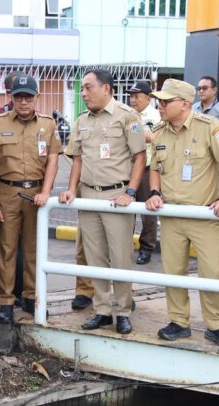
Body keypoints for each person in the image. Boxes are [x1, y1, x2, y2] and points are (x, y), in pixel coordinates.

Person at [144, 79, 219, 347]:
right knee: (173, 272)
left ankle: (216, 325)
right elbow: (154, 167)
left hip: (203, 215)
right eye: (159, 101)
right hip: (172, 215)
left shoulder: (209, 127)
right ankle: (178, 321)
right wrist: (154, 193)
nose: (159, 106)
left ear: (185, 104)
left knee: (212, 272)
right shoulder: (160, 132)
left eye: (165, 102)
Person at [58, 69, 146, 334]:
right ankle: (103, 310)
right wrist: (71, 190)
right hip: (88, 197)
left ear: (106, 88)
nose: (83, 93)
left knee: (120, 256)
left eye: (88, 87)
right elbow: (77, 159)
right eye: (82, 89)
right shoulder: (81, 120)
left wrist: (130, 192)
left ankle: (123, 311)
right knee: (94, 257)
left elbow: (140, 156)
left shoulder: (127, 117)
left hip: (116, 197)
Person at [0, 75, 62, 324]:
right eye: (19, 96)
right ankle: (5, 302)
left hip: (36, 194)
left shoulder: (48, 125)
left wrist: (47, 192)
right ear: (12, 98)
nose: (23, 101)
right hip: (7, 192)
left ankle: (31, 296)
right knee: (6, 249)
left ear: (37, 97)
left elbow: (53, 160)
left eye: (28, 96)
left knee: (34, 248)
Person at [128, 80, 161, 265]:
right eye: (131, 96)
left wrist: (134, 133)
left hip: (148, 168)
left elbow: (155, 137)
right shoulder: (127, 115)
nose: (133, 100)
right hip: (129, 167)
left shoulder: (155, 116)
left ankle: (146, 248)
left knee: (148, 211)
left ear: (148, 97)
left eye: (137, 96)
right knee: (127, 210)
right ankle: (125, 246)